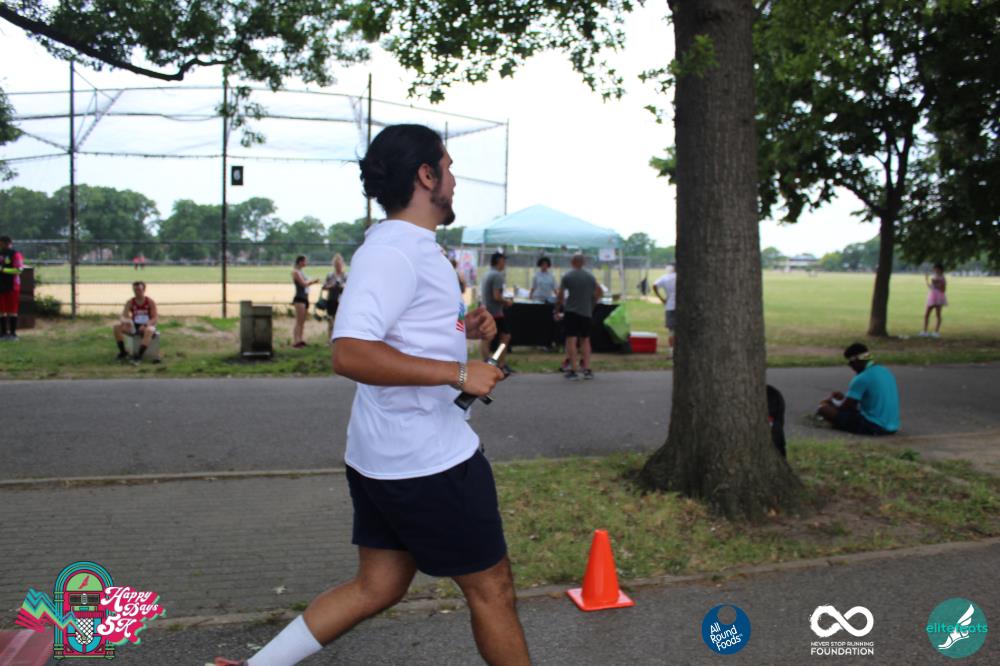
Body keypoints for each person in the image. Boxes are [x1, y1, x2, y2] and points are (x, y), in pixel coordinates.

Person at [215, 124, 528, 666]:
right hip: (429, 462)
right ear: (426, 176)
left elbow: (405, 334)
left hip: (384, 455)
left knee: (377, 585)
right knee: (492, 589)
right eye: (448, 168)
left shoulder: (413, 247)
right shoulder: (393, 252)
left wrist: (469, 329)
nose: (454, 179)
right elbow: (350, 353)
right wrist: (458, 374)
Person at [816, 342, 900, 436]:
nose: (850, 365)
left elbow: (846, 408)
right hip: (893, 427)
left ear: (856, 360)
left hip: (874, 427)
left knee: (823, 409)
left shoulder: (862, 378)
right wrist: (845, 398)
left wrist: (832, 401)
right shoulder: (885, 371)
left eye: (850, 362)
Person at [556, 252, 602, 380]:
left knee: (571, 340)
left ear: (572, 262)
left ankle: (573, 369)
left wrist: (557, 309)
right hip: (586, 312)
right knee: (585, 340)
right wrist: (592, 304)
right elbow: (599, 292)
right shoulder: (590, 277)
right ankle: (586, 369)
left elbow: (560, 296)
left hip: (571, 312)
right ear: (584, 262)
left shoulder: (567, 276)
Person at [480, 251, 514, 375]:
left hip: (486, 310)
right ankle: (499, 364)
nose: (505, 263)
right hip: (495, 312)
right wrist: (507, 302)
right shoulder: (498, 275)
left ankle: (489, 362)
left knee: (487, 338)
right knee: (505, 337)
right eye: (504, 261)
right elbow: (496, 296)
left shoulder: (487, 274)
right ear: (499, 261)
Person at [113, 281, 158, 362]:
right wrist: (127, 321)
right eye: (134, 290)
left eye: (139, 290)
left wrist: (145, 325)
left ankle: (139, 356)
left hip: (147, 326)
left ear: (144, 290)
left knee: (149, 330)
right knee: (116, 327)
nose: (136, 292)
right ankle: (123, 352)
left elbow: (154, 318)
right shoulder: (130, 302)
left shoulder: (150, 302)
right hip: (134, 325)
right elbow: (123, 316)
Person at [291, 255, 319, 348]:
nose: (306, 263)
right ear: (300, 262)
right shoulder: (295, 272)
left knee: (302, 321)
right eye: (304, 261)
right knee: (299, 321)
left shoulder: (301, 272)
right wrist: (313, 281)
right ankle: (296, 341)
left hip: (305, 298)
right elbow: (303, 284)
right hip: (299, 298)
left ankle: (300, 339)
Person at [0, 235, 24, 341]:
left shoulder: (15, 254)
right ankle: (3, 333)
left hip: (13, 286)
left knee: (12, 310)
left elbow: (19, 270)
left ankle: (13, 334)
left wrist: (3, 270)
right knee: (1, 310)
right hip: (1, 285)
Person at [321, 253, 348, 341]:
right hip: (331, 300)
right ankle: (330, 339)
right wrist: (332, 285)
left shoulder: (346, 275)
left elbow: (349, 287)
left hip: (342, 301)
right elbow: (324, 287)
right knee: (330, 321)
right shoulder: (330, 275)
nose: (338, 267)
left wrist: (342, 286)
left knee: (340, 322)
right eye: (336, 265)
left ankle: (339, 340)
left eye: (339, 265)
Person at [652, 263, 677, 356]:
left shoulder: (665, 277)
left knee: (671, 331)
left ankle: (672, 352)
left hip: (670, 306)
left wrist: (661, 298)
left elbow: (654, 285)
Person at [920, 263, 948, 338]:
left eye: (936, 268)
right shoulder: (934, 277)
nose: (935, 270)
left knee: (938, 314)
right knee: (926, 314)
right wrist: (927, 280)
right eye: (934, 268)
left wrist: (937, 284)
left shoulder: (942, 278)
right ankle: (925, 331)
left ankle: (936, 332)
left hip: (939, 297)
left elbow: (943, 289)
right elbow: (931, 287)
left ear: (940, 269)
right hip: (932, 296)